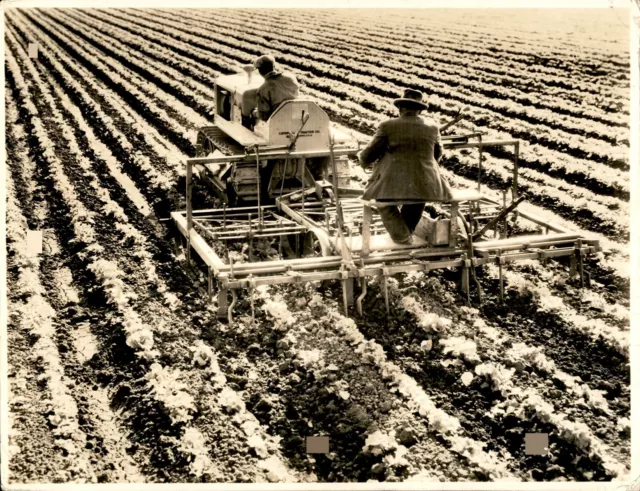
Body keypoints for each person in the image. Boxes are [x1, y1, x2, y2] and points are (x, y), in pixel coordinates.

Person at [359, 88, 452, 245]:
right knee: (417, 199)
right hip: (426, 182)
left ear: (400, 108)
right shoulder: (432, 127)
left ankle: (402, 237)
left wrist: (362, 161)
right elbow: (437, 154)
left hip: (393, 181)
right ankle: (406, 234)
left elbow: (370, 153)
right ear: (419, 111)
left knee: (382, 202)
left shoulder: (388, 125)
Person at [251, 54, 300, 121]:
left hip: (279, 122)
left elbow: (263, 116)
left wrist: (254, 113)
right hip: (298, 116)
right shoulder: (291, 78)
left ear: (260, 71)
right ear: (274, 66)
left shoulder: (263, 89)